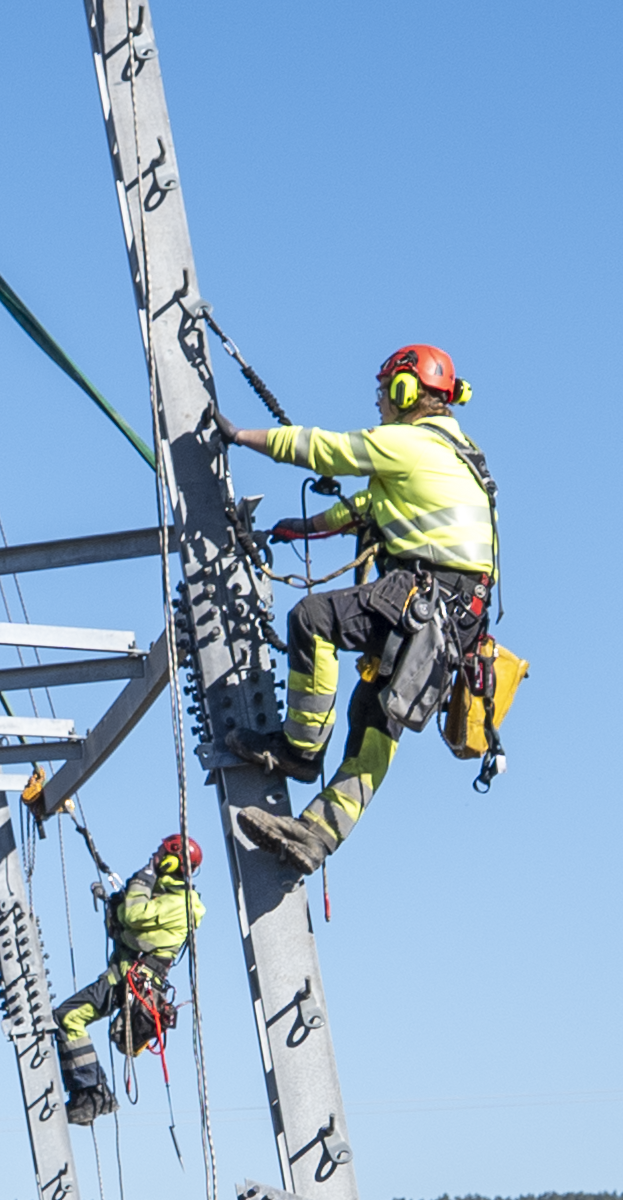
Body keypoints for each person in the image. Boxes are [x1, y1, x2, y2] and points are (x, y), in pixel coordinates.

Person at [221, 341, 519, 870]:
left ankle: (299, 750)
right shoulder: (457, 454)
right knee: (375, 717)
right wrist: (304, 528)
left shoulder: (408, 443)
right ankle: (316, 836)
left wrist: (241, 436)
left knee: (311, 620)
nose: (379, 402)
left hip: (427, 595)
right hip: (457, 618)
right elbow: (370, 505)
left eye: (385, 392)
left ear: (408, 391)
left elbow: (326, 450)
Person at [50, 828, 203, 1122]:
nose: (153, 857)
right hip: (124, 975)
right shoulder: (164, 896)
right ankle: (92, 1093)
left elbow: (133, 916)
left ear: (172, 862)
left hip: (131, 980)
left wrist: (143, 878)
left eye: (160, 855)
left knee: (68, 1018)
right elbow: (128, 922)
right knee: (67, 1017)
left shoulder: (181, 904)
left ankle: (93, 1094)